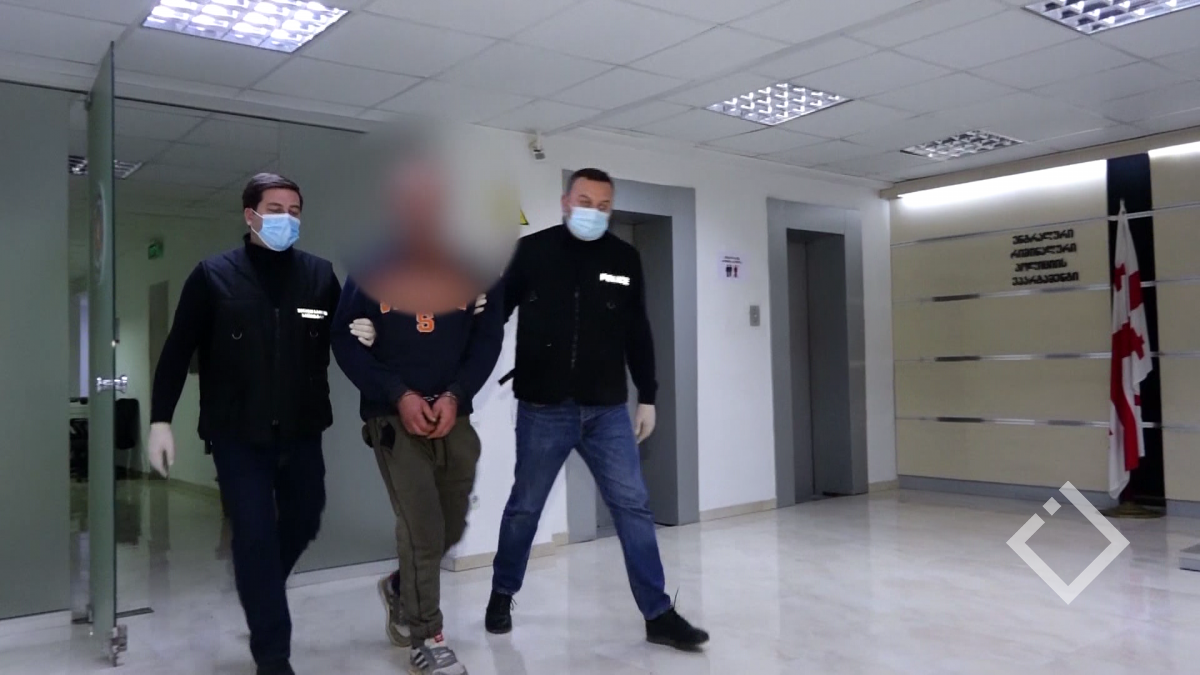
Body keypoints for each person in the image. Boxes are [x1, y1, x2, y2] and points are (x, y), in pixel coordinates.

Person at [144, 173, 377, 675]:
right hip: (237, 434)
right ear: (250, 215)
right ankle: (273, 656)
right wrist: (160, 419)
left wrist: (366, 330)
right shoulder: (213, 277)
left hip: (302, 428)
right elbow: (177, 351)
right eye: (275, 210)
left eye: (294, 211)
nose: (286, 219)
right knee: (252, 534)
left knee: (305, 518)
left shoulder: (318, 275)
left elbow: (343, 335)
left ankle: (259, 583)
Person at [485, 168, 709, 650]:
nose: (594, 212)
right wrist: (457, 360)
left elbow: (638, 331)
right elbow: (494, 313)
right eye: (585, 202)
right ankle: (502, 593)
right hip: (544, 408)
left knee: (633, 506)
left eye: (604, 206)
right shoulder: (533, 251)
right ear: (566, 202)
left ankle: (658, 614)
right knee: (525, 508)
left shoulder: (624, 258)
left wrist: (647, 395)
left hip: (606, 411)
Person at [332, 269, 503, 675]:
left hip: (453, 414)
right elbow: (344, 341)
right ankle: (426, 638)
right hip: (393, 416)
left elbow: (487, 339)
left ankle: (400, 587)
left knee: (450, 527)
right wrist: (397, 393)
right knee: (421, 527)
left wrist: (457, 394)